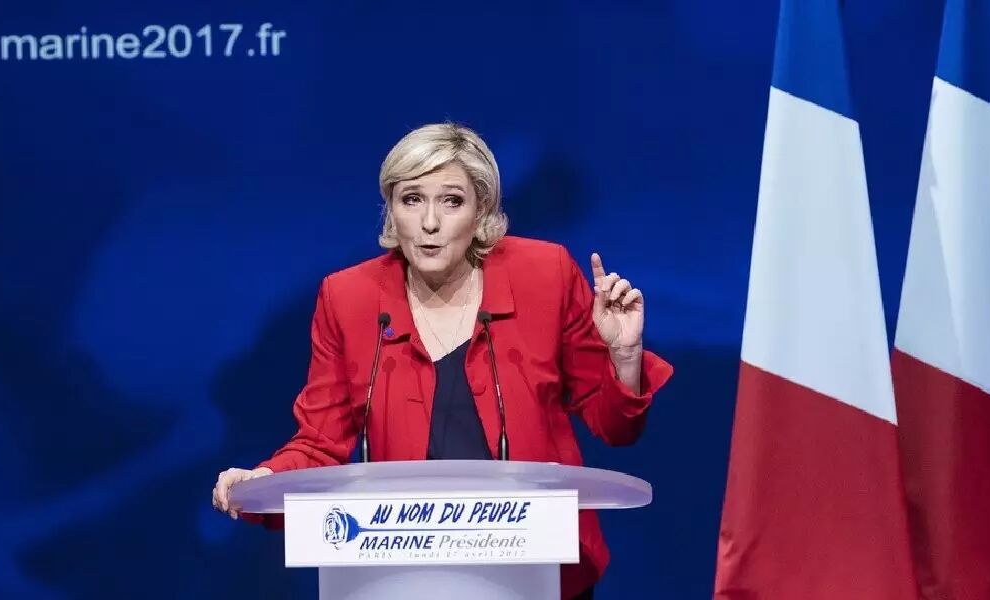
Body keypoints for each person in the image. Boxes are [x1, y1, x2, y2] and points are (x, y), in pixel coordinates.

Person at [212, 123, 673, 599]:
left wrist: (623, 355)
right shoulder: (349, 298)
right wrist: (264, 480)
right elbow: (320, 442)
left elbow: (616, 427)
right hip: (403, 574)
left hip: (539, 570)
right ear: (391, 209)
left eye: (451, 201)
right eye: (412, 199)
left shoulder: (544, 275)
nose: (429, 222)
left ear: (481, 211)